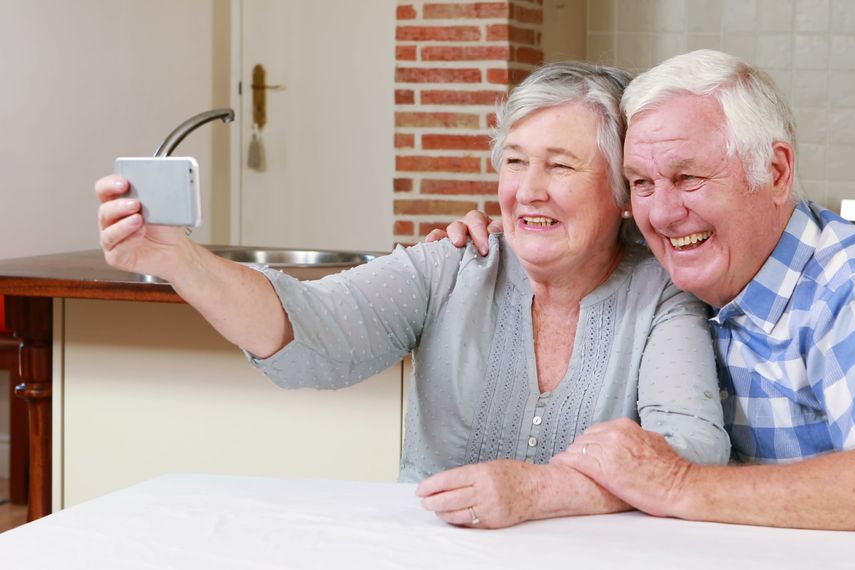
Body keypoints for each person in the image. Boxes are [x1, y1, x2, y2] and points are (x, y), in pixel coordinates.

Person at [431, 50, 855, 567]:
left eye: (690, 178)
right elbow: (579, 232)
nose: (662, 212)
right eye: (642, 184)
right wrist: (497, 243)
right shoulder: (679, 275)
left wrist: (676, 484)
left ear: (776, 172)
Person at [94, 61, 729, 531]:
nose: (528, 189)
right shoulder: (453, 264)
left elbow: (689, 453)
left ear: (622, 192)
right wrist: (180, 260)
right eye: (514, 161)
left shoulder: (663, 295)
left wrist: (541, 492)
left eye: (560, 166)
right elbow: (311, 329)